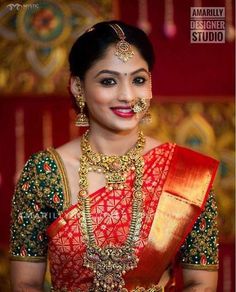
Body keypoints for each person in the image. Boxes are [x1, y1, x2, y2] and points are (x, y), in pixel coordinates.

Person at [10, 20, 219, 292]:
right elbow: (25, 284)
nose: (127, 95)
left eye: (138, 80)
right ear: (78, 87)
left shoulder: (188, 174)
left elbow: (200, 284)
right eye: (108, 81)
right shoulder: (45, 172)